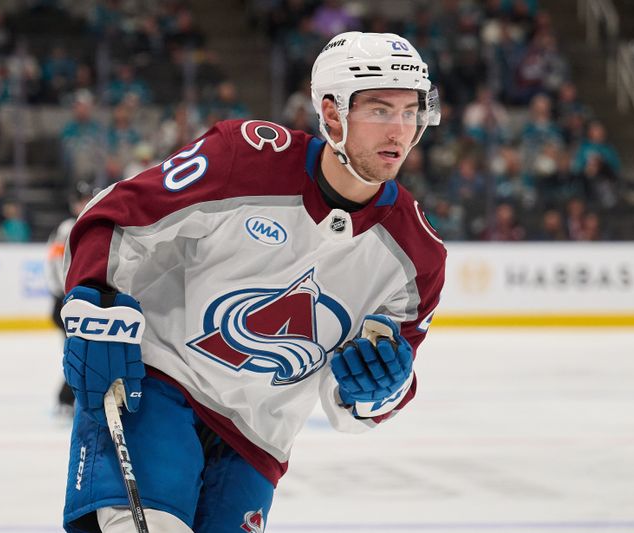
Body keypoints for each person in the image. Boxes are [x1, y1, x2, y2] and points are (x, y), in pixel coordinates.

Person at [60, 31, 446, 533]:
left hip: (257, 441)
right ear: (332, 114)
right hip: (159, 385)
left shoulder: (418, 255)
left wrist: (378, 388)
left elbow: (365, 405)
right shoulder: (244, 159)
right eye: (378, 109)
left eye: (410, 110)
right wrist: (98, 302)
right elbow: (116, 216)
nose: (399, 130)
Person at [45, 183, 96, 415]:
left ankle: (71, 397)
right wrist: (67, 293)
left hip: (80, 300)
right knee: (79, 352)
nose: (85, 204)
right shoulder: (68, 228)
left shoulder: (94, 224)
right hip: (68, 301)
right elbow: (56, 264)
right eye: (82, 200)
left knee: (84, 351)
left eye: (88, 199)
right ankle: (66, 398)